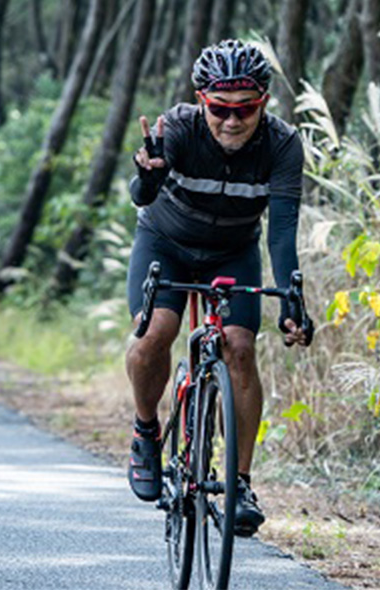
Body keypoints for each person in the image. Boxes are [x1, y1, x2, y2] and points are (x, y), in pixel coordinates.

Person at [124, 39, 311, 538]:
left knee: (240, 348)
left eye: (245, 109)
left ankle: (240, 483)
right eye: (220, 109)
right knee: (154, 334)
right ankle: (146, 430)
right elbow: (142, 194)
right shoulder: (178, 128)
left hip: (233, 251)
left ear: (264, 102)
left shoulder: (283, 145)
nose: (232, 121)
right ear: (201, 100)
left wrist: (293, 300)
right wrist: (147, 175)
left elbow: (282, 231)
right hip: (166, 242)